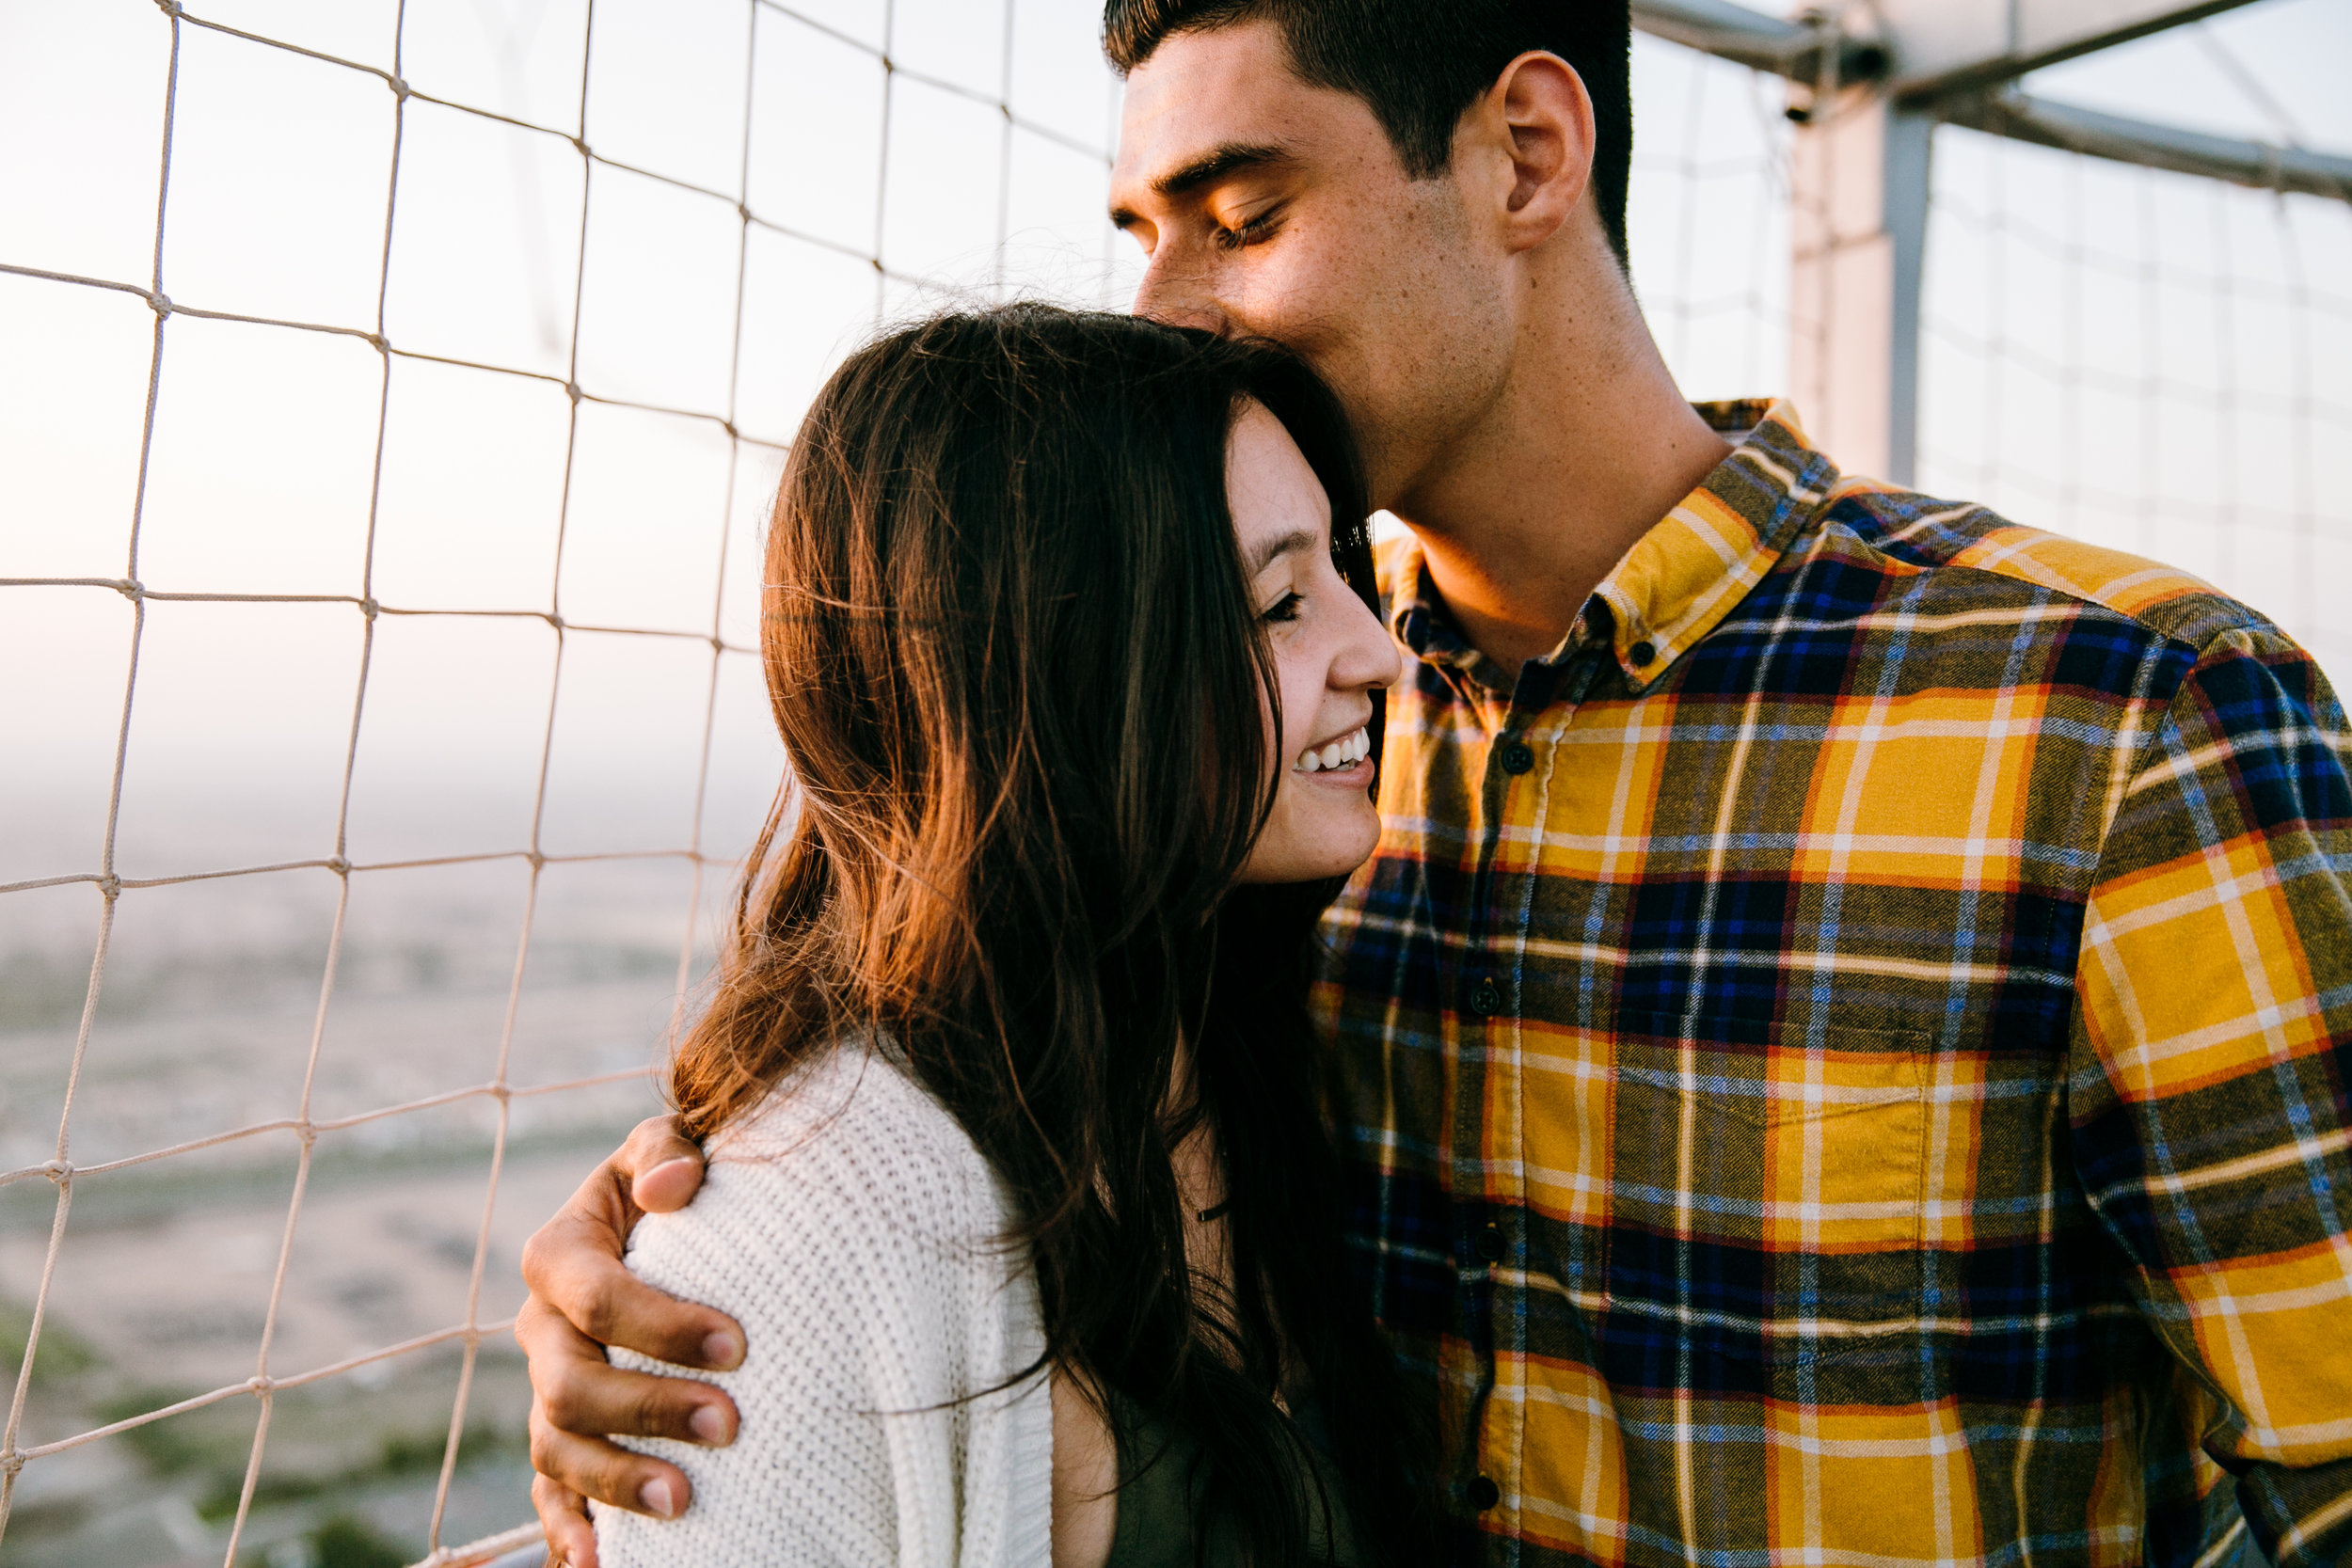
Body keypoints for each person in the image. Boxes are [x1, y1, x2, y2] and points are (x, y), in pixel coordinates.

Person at [519, 2, 2352, 1564]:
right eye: (1137, 231)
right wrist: (707, 1251)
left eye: (1237, 213)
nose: (1161, 312)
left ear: (1527, 154)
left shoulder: (2121, 718)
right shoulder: (1249, 756)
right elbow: (984, 1073)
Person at [570, 303, 1432, 1567]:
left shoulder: (1251, 1059)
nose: (1380, 652)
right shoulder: (788, 1235)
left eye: (1345, 579)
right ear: (1055, 671)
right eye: (1285, 602)